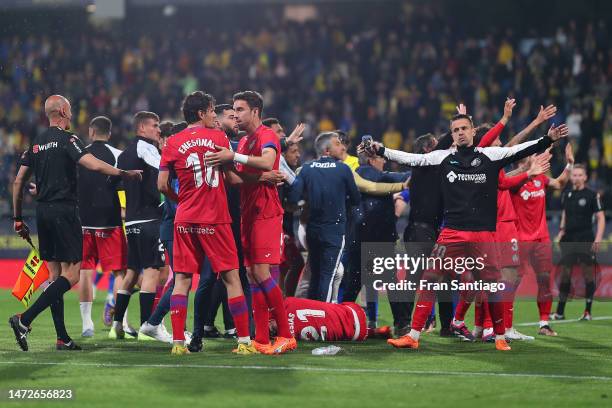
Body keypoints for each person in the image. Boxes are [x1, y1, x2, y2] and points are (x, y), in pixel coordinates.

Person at [361, 112, 568, 351]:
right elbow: (411, 159)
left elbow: (518, 150)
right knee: (430, 280)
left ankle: (500, 336)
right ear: (452, 134)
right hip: (452, 233)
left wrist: (548, 139)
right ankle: (413, 336)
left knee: (492, 286)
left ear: (472, 131)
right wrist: (382, 150)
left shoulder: (490, 155)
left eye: (463, 128)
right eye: (455, 130)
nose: (459, 133)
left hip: (483, 235)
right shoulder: (442, 157)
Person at [9, 95, 141, 351]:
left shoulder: (35, 143)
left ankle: (62, 337)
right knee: (73, 272)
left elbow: (18, 182)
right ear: (61, 111)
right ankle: (24, 320)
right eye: (69, 111)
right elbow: (90, 163)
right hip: (64, 212)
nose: (71, 115)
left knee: (54, 275)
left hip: (42, 213)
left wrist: (17, 218)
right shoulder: (67, 139)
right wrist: (122, 173)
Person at [158, 91, 254, 355]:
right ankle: (244, 342)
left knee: (182, 280)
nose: (215, 116)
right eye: (212, 111)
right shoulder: (218, 137)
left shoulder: (172, 142)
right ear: (201, 113)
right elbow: (233, 180)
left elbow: (162, 185)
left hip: (184, 219)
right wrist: (261, 178)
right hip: (215, 218)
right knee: (232, 278)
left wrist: (182, 201)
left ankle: (178, 344)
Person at [205, 90, 295, 355]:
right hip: (248, 214)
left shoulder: (267, 136)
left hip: (267, 213)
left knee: (263, 274)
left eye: (240, 109)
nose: (236, 115)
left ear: (256, 111)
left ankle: (287, 335)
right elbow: (236, 180)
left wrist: (232, 157)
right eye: (233, 110)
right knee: (252, 277)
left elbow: (268, 162)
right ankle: (262, 339)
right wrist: (226, 162)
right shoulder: (244, 142)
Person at [287, 132, 361, 302]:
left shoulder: (306, 169)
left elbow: (293, 199)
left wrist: (308, 201)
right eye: (337, 143)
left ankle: (311, 316)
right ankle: (322, 321)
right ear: (327, 150)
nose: (342, 147)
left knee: (315, 275)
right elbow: (356, 199)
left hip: (312, 229)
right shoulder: (343, 169)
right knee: (328, 277)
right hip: (334, 230)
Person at [111, 111, 165, 340]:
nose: (158, 129)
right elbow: (165, 171)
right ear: (142, 128)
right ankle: (146, 327)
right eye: (155, 125)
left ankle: (117, 326)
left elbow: (113, 181)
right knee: (152, 271)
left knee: (131, 272)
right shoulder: (147, 148)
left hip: (131, 221)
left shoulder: (123, 155)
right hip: (149, 219)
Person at [510, 141, 573, 336]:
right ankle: (506, 326)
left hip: (542, 239)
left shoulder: (540, 178)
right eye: (530, 156)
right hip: (520, 239)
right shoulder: (513, 181)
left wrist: (569, 164)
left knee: (545, 280)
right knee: (512, 282)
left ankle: (544, 324)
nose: (534, 157)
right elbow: (500, 178)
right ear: (523, 160)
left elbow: (559, 183)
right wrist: (526, 169)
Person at [77, 116, 128, 338]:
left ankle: (86, 324)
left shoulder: (78, 154)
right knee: (120, 272)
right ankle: (121, 323)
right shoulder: (118, 155)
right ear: (109, 133)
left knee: (86, 270)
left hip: (83, 220)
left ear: (91, 131)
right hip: (110, 220)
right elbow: (124, 185)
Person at [554, 164, 605, 320]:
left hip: (585, 238)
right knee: (565, 274)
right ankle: (560, 312)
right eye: (574, 175)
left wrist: (598, 238)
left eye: (579, 175)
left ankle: (587, 311)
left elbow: (600, 217)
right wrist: (561, 230)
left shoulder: (592, 195)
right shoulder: (567, 194)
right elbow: (565, 213)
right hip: (568, 239)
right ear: (571, 177)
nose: (576, 177)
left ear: (585, 177)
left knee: (588, 274)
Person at [272, 297, 367, 342]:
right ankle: (372, 328)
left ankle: (371, 331)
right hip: (355, 311)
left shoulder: (287, 337)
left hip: (356, 335)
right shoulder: (288, 302)